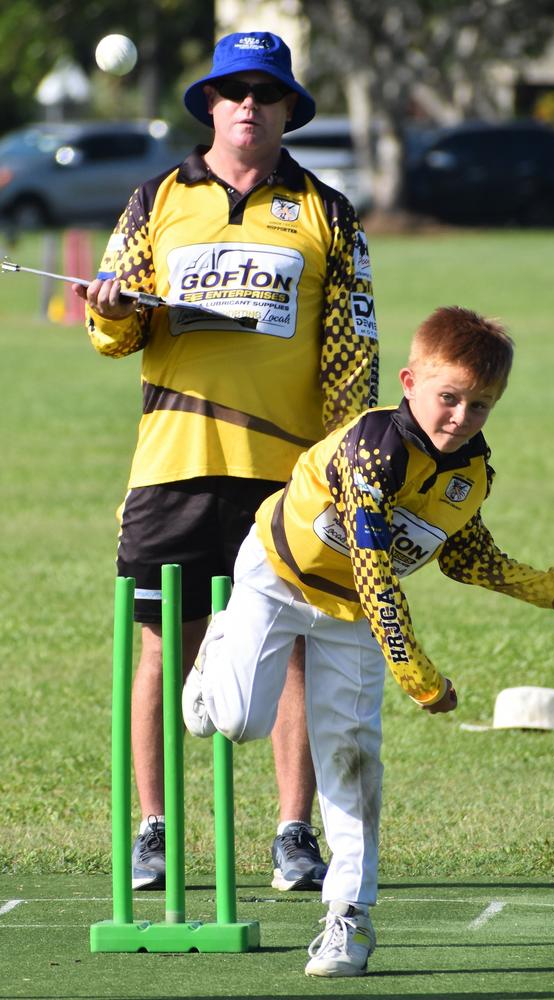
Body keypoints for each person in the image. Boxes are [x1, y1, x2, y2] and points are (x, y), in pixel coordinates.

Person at [182, 305, 554, 977]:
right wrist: (420, 677)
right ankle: (221, 645)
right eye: (450, 397)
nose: (462, 416)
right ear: (409, 382)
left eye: (481, 405)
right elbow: (375, 569)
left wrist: (547, 587)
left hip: (350, 616)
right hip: (277, 576)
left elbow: (464, 554)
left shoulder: (473, 472)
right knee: (235, 722)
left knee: (351, 759)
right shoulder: (374, 447)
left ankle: (348, 920)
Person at [72, 30, 379, 892]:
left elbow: (354, 348)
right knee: (163, 644)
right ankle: (154, 832)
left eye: (265, 92)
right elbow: (115, 330)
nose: (248, 104)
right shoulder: (155, 199)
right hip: (172, 463)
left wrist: (341, 467)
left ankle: (292, 835)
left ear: (287, 109)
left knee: (291, 647)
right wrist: (112, 310)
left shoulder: (327, 210)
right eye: (233, 90)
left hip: (288, 473)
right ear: (209, 103)